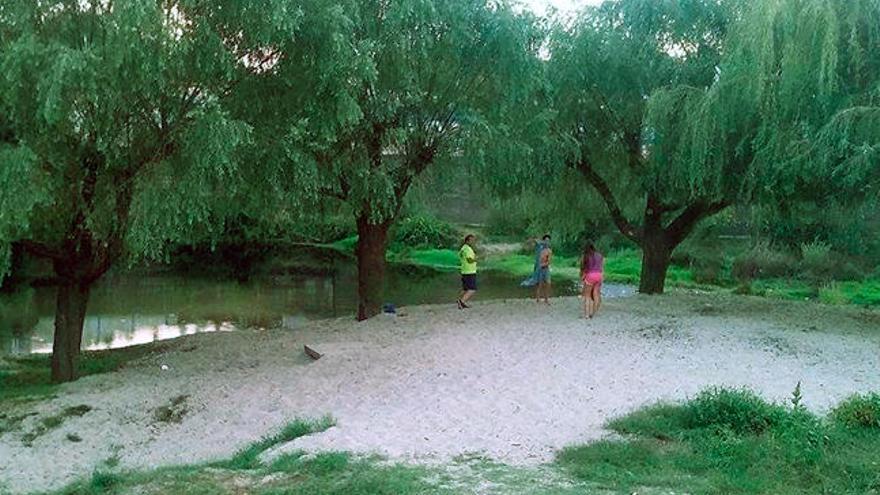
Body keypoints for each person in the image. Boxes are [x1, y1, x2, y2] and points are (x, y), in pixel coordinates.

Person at [580, 243, 604, 319]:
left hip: (590, 275)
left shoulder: (586, 256)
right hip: (599, 275)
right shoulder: (600, 255)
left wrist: (583, 277)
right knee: (596, 294)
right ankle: (593, 313)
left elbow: (585, 269)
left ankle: (587, 314)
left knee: (587, 296)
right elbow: (601, 266)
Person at [457, 234, 478, 309]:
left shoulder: (463, 248)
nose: (473, 242)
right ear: (467, 241)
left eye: (474, 240)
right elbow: (469, 260)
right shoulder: (468, 249)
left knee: (465, 289)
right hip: (470, 271)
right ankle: (462, 301)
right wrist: (477, 259)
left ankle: (460, 301)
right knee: (472, 289)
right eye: (471, 240)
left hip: (464, 270)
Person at [536, 234, 553, 304]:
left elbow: (549, 261)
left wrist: (543, 264)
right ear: (544, 241)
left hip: (546, 269)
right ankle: (538, 298)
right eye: (546, 241)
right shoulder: (541, 250)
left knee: (548, 283)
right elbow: (539, 259)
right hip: (540, 269)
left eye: (548, 241)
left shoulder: (549, 251)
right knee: (540, 284)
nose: (547, 242)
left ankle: (546, 298)